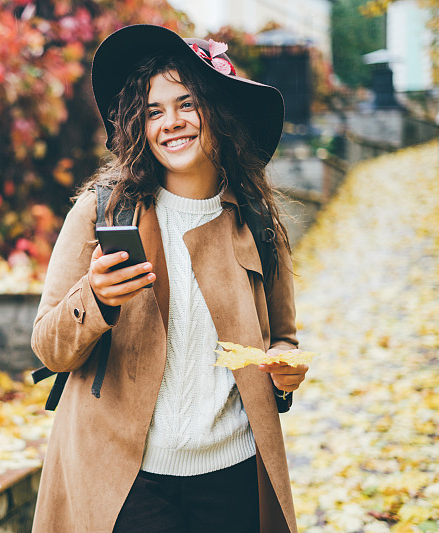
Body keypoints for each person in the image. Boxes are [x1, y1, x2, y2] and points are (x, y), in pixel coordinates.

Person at [30, 24, 308, 533]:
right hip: (126, 480)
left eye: (187, 104)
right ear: (139, 123)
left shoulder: (258, 221)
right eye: (154, 111)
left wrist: (286, 367)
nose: (171, 123)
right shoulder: (101, 212)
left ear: (217, 113)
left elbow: (282, 334)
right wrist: (94, 298)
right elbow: (49, 347)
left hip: (234, 473)